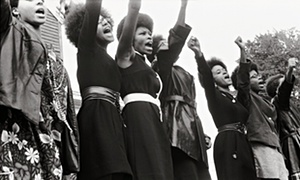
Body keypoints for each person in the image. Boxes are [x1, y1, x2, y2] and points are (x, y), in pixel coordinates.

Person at [0, 0, 79, 179]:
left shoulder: (57, 62)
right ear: (13, 10)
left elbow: (66, 114)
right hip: (16, 133)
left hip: (48, 143)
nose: (39, 1)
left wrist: (69, 163)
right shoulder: (7, 31)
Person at [64, 0, 132, 179]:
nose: (105, 22)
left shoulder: (112, 61)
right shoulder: (86, 48)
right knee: (103, 171)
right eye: (99, 20)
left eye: (107, 20)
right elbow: (92, 9)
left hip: (114, 120)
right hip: (96, 118)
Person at [147, 0, 211, 179]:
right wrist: (183, 6)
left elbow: (191, 106)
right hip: (175, 129)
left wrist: (200, 132)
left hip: (193, 130)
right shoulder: (160, 68)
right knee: (186, 172)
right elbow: (176, 41)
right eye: (162, 44)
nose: (168, 45)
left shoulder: (183, 72)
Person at [116, 0, 173, 179]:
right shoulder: (126, 57)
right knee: (146, 166)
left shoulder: (148, 65)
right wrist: (135, 8)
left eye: (150, 33)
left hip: (154, 117)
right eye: (143, 33)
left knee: (160, 166)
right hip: (138, 116)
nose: (149, 36)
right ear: (130, 37)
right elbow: (132, 11)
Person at [187, 36, 256, 180]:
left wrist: (243, 50)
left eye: (224, 69)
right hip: (227, 141)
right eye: (218, 72)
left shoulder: (238, 99)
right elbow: (206, 76)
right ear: (213, 80)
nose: (224, 72)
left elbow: (244, 82)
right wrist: (198, 54)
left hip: (243, 141)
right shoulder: (214, 96)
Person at [231, 41, 289, 180]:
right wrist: (243, 51)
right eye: (254, 77)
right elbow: (243, 81)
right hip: (261, 145)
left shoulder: (265, 100)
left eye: (258, 75)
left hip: (276, 148)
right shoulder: (246, 97)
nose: (259, 78)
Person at [265, 57, 300, 180]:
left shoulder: (290, 103)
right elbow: (285, 88)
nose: (289, 83)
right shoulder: (279, 102)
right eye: (284, 81)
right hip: (293, 144)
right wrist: (290, 69)